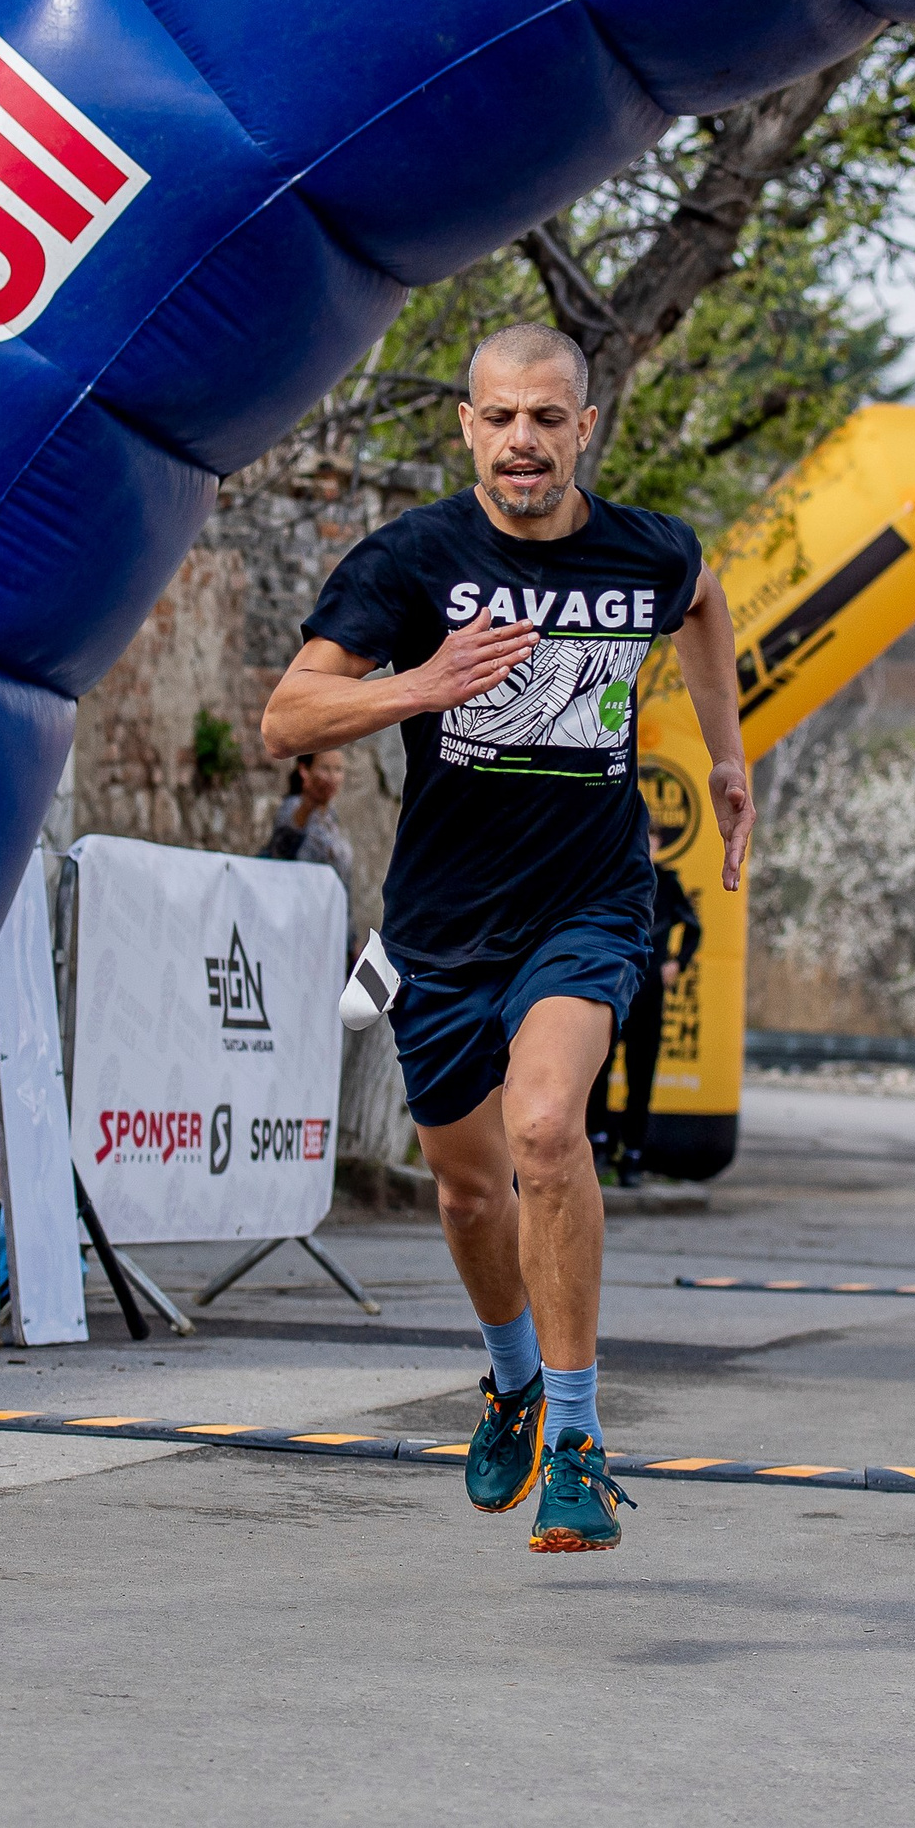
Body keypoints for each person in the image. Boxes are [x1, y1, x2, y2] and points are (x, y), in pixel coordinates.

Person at [261, 323, 752, 1553]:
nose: (523, 440)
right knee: (473, 1191)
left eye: (547, 417)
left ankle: (582, 1436)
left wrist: (731, 753)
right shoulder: (416, 557)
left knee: (545, 1128)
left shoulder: (643, 551)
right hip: (443, 926)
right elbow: (287, 715)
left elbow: (701, 599)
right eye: (500, 418)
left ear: (585, 427)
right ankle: (513, 1383)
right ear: (467, 427)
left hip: (588, 901)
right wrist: (420, 686)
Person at [586, 828, 700, 1187]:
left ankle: (632, 1154)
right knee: (597, 1070)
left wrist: (677, 962)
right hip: (614, 987)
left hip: (649, 992)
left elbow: (693, 928)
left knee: (641, 1077)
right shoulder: (612, 876)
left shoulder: (665, 884)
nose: (646, 848)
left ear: (659, 846)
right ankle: (600, 1145)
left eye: (651, 843)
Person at [264, 750, 356, 880]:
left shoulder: (331, 815)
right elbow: (280, 852)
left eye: (338, 769)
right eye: (325, 768)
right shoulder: (292, 806)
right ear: (304, 771)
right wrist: (308, 805)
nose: (332, 777)